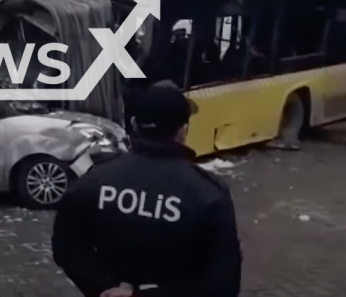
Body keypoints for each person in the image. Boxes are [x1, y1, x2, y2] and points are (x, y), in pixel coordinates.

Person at [52, 85, 242, 297]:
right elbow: (223, 284)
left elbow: (66, 247)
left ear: (134, 124)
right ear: (183, 130)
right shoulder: (208, 193)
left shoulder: (94, 180)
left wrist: (104, 287)